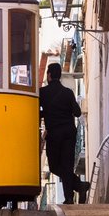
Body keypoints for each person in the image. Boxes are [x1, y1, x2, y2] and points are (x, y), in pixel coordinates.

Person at [39, 62, 89, 204]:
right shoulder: (68, 92)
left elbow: (36, 111)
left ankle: (76, 190)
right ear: (59, 75)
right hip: (68, 133)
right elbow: (77, 112)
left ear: (49, 75)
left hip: (54, 134)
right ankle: (74, 192)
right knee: (67, 165)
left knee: (54, 166)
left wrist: (46, 113)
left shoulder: (42, 93)